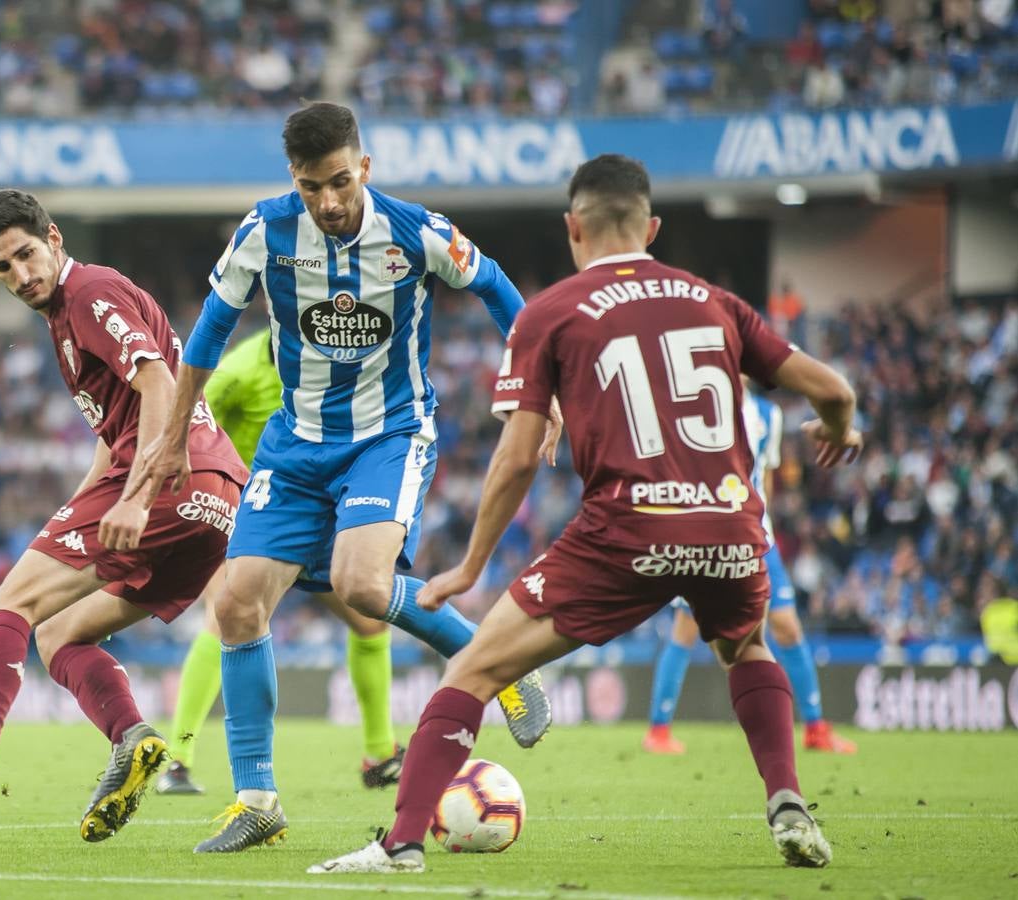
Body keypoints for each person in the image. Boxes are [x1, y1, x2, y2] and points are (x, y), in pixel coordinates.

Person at [308, 153, 862, 876]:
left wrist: (470, 567)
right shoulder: (712, 301)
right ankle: (786, 802)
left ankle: (401, 843)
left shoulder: (552, 312)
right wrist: (838, 425)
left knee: (472, 670)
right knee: (746, 647)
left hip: (626, 530)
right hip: (727, 528)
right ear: (652, 227)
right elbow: (830, 387)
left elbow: (512, 460)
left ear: (573, 228)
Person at [129, 101, 556, 853]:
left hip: (387, 435)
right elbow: (208, 329)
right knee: (233, 605)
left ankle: (500, 663)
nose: (324, 202)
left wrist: (537, 390)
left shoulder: (416, 231)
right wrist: (170, 437)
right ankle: (257, 799)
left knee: (361, 586)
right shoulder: (265, 229)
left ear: (363, 167)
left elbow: (495, 289)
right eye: (307, 186)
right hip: (294, 445)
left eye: (336, 182)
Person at [0, 190, 249, 844]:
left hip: (165, 481)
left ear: (54, 238)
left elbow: (158, 384)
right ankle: (133, 740)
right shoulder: (65, 318)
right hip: (213, 499)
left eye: (25, 255)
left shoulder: (89, 295)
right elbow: (112, 435)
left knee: (5, 607)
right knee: (60, 636)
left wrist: (132, 496)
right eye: (2, 268)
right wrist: (83, 505)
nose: (20, 275)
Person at [157, 327, 405, 795]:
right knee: (224, 617)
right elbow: (186, 427)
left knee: (370, 623)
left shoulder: (330, 367)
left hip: (306, 519)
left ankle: (380, 754)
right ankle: (177, 761)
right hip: (241, 518)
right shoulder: (236, 373)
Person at [644, 382, 858, 755]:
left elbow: (766, 480)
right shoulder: (694, 408)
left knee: (787, 627)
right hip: (704, 535)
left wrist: (763, 526)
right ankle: (658, 731)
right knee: (686, 626)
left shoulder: (767, 415)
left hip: (758, 539)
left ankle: (815, 727)